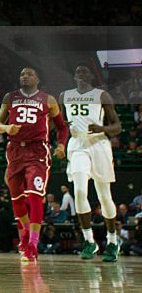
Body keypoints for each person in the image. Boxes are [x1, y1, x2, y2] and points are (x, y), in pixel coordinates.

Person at [0, 67, 68, 263]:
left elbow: (61, 127)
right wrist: (6, 127)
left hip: (37, 151)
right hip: (16, 150)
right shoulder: (10, 97)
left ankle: (32, 243)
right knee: (17, 199)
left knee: (35, 196)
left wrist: (61, 145)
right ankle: (25, 233)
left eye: (29, 74)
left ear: (37, 78)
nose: (24, 76)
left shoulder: (48, 99)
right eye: (21, 74)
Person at [59, 63, 122, 262]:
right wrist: (62, 126)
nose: (81, 74)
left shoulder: (102, 95)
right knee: (78, 190)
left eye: (85, 72)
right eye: (77, 71)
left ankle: (112, 241)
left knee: (104, 196)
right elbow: (60, 124)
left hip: (99, 144)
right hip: (77, 144)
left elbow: (117, 127)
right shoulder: (64, 96)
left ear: (92, 77)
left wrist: (101, 128)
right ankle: (89, 241)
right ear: (73, 76)